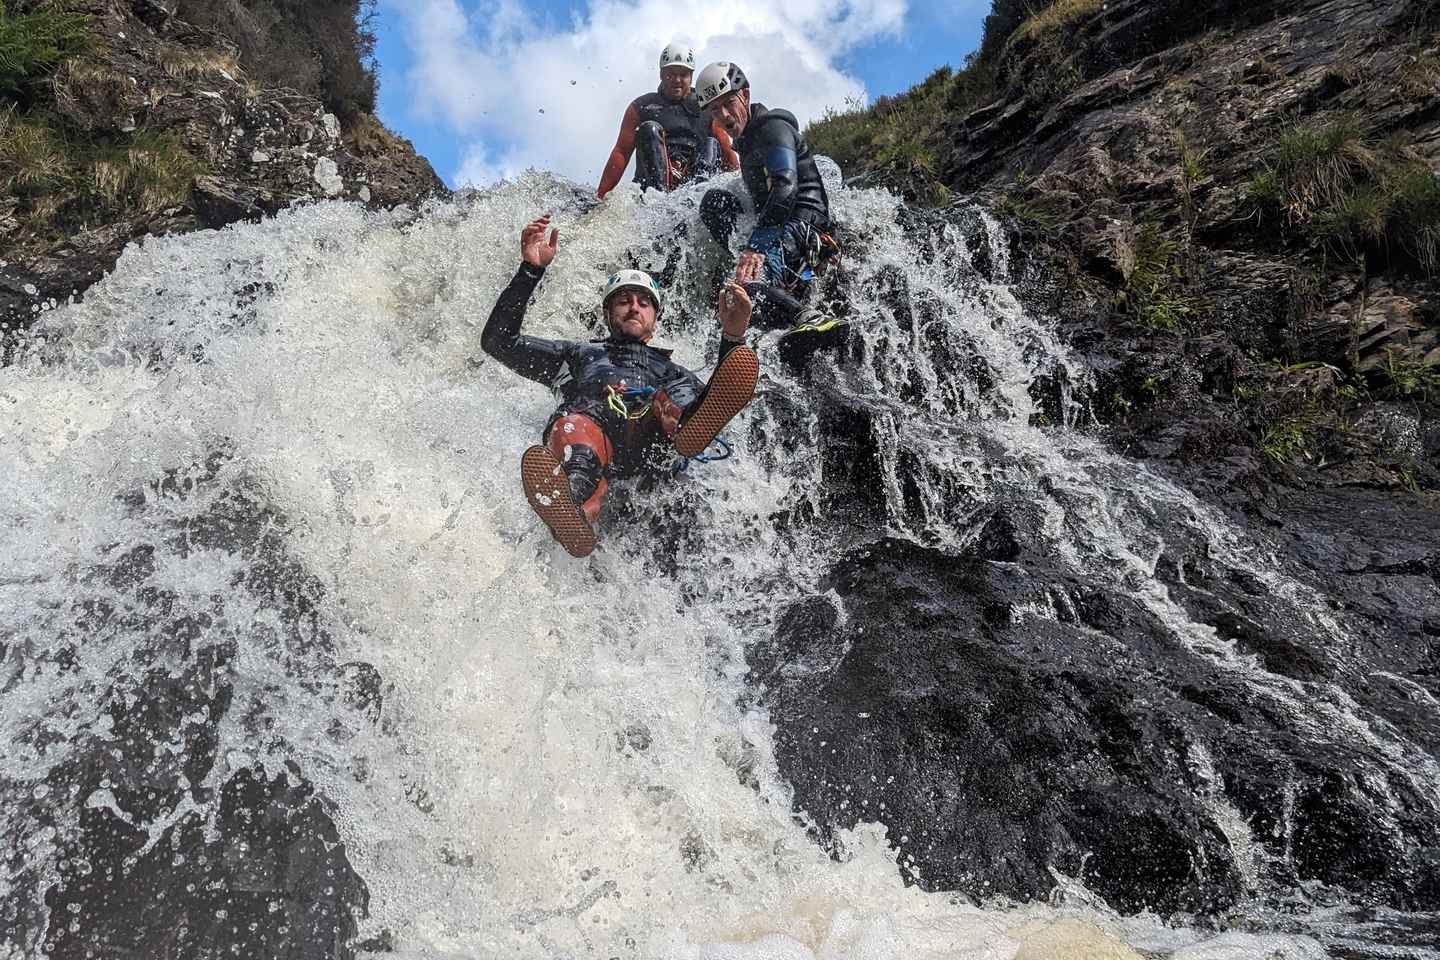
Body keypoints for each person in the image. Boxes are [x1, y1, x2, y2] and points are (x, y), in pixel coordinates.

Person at [482, 213, 759, 558]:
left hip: (653, 446)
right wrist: (530, 270)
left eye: (644, 303)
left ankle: (685, 426)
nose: (634, 308)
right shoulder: (576, 354)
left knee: (679, 401)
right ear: (607, 313)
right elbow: (498, 342)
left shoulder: (672, 371)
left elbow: (724, 391)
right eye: (624, 301)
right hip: (593, 436)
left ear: (654, 321)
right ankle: (573, 505)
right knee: (578, 432)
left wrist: (732, 337)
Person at [694, 61, 845, 347]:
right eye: (715, 109)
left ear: (746, 96)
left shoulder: (772, 128)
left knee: (744, 291)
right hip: (784, 230)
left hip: (805, 228)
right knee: (713, 202)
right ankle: (774, 298)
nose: (724, 115)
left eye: (729, 103)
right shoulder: (748, 143)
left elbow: (785, 187)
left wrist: (756, 248)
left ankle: (810, 318)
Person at [596, 44, 740, 199]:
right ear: (661, 74)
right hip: (653, 185)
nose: (677, 80)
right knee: (649, 129)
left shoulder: (706, 106)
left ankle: (694, 199)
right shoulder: (641, 106)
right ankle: (658, 200)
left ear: (691, 76)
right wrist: (600, 196)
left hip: (691, 181)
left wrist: (739, 189)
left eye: (683, 74)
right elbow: (621, 151)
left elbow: (727, 152)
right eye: (670, 74)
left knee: (711, 143)